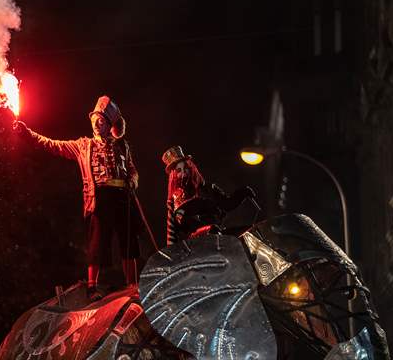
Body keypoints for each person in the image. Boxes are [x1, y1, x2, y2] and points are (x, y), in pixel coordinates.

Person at [14, 96, 144, 296]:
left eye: (100, 121)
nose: (96, 124)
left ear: (109, 124)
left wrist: (133, 181)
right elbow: (53, 144)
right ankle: (92, 287)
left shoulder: (122, 146)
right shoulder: (83, 146)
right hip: (99, 198)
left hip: (122, 196)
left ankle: (132, 286)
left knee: (129, 240)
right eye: (94, 120)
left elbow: (132, 170)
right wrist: (27, 134)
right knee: (97, 241)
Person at [162, 146, 256, 246]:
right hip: (195, 244)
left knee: (249, 232)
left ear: (190, 168)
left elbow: (227, 205)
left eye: (185, 168)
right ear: (173, 175)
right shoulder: (173, 201)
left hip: (217, 235)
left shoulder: (208, 188)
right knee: (213, 231)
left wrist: (242, 193)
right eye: (179, 171)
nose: (184, 173)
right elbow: (171, 233)